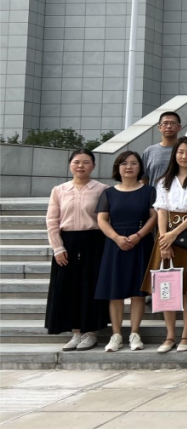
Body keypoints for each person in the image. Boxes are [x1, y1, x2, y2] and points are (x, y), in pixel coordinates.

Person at [142, 138, 187, 353]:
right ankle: (170, 336)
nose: (184, 156)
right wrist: (164, 240)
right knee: (167, 286)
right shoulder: (163, 180)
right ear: (174, 155)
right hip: (166, 235)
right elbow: (161, 210)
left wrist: (174, 233)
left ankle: (186, 335)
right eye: (180, 152)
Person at [45, 149, 109, 352]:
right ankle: (76, 332)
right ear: (70, 164)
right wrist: (58, 247)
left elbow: (107, 219)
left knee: (91, 286)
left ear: (94, 166)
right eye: (76, 162)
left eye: (86, 162)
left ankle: (91, 332)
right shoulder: (59, 190)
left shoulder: (102, 190)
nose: (81, 166)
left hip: (95, 241)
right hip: (67, 242)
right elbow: (52, 220)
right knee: (69, 287)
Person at [95, 151, 158, 352]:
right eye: (124, 163)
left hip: (141, 243)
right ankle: (116, 335)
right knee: (115, 292)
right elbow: (102, 219)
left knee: (138, 292)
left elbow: (154, 216)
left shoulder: (149, 191)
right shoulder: (108, 193)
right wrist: (116, 238)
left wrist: (139, 235)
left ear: (140, 167)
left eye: (133, 163)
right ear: (118, 168)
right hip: (115, 244)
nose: (128, 167)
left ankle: (135, 333)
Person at [142, 112, 182, 186]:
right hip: (154, 193)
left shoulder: (184, 150)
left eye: (173, 123)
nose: (169, 126)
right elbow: (144, 178)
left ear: (179, 127)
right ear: (159, 127)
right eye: (165, 123)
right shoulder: (149, 151)